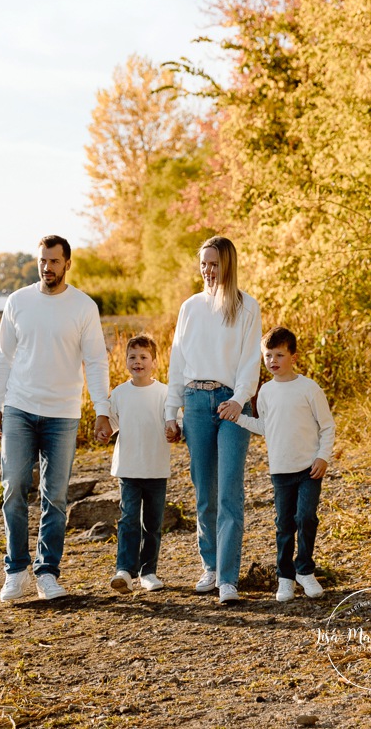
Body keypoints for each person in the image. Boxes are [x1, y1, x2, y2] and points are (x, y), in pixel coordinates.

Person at [0, 235, 112, 602]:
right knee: (13, 488)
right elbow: (2, 357)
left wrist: (102, 410)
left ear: (67, 264)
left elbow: (95, 361)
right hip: (19, 409)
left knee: (55, 497)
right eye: (42, 260)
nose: (47, 267)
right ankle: (16, 571)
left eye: (54, 261)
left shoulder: (83, 307)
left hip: (62, 413)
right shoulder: (18, 302)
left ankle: (47, 572)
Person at [165, 235, 261, 605]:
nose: (208, 271)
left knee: (229, 492)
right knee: (204, 491)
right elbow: (177, 362)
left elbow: (251, 360)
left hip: (231, 405)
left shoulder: (246, 307)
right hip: (195, 401)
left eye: (215, 264)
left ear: (228, 266)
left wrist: (239, 400)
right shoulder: (190, 307)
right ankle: (210, 565)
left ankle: (228, 579)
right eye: (204, 263)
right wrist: (170, 412)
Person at [235, 326, 335, 602]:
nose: (273, 361)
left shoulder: (309, 388)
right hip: (280, 469)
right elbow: (265, 426)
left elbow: (327, 427)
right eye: (268, 356)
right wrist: (238, 418)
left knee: (306, 518)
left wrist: (322, 456)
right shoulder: (265, 391)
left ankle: (305, 570)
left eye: (279, 354)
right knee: (284, 524)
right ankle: (285, 577)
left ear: (293, 356)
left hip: (309, 468)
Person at [102, 333, 171, 594]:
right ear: (125, 361)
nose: (138, 361)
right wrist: (103, 430)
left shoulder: (164, 393)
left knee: (152, 524)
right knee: (129, 519)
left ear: (154, 361)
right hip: (128, 468)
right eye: (132, 357)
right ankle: (124, 570)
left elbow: (173, 422)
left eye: (143, 357)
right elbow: (112, 424)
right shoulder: (119, 393)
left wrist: (176, 430)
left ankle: (148, 572)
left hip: (155, 467)